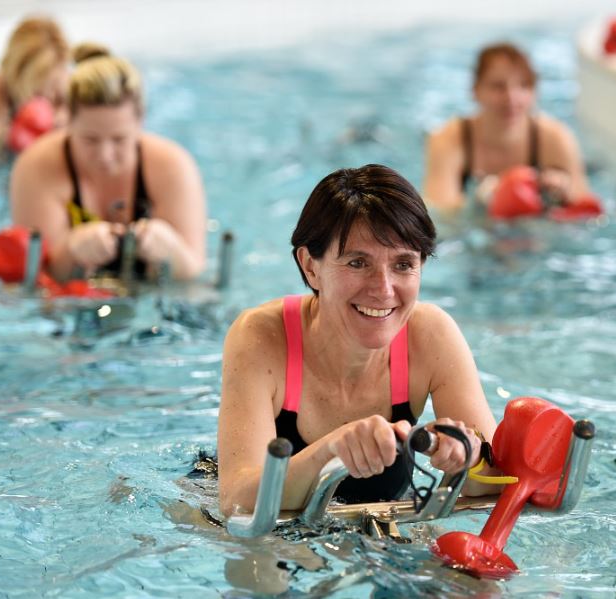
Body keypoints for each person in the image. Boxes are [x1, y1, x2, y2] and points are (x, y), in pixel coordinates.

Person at [217, 164, 498, 516]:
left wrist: (466, 457)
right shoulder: (260, 336)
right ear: (310, 266)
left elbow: (492, 485)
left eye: (403, 265)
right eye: (357, 262)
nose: (383, 290)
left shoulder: (430, 336)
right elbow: (236, 501)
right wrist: (331, 450)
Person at [9, 44, 206, 281]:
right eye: (90, 140)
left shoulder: (173, 167)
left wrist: (171, 248)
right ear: (68, 121)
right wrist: (70, 250)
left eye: (119, 139)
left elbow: (194, 275)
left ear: (140, 121)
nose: (105, 155)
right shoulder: (37, 167)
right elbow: (37, 280)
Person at [424, 42, 591, 214]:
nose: (512, 98)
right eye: (498, 86)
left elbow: (585, 210)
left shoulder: (556, 138)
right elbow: (440, 214)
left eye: (524, 85)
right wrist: (479, 203)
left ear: (535, 92)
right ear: (475, 91)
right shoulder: (449, 138)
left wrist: (559, 196)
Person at [0, 16, 70, 155]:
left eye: (54, 88)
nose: (48, 97)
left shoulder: (67, 86)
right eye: (38, 91)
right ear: (15, 74)